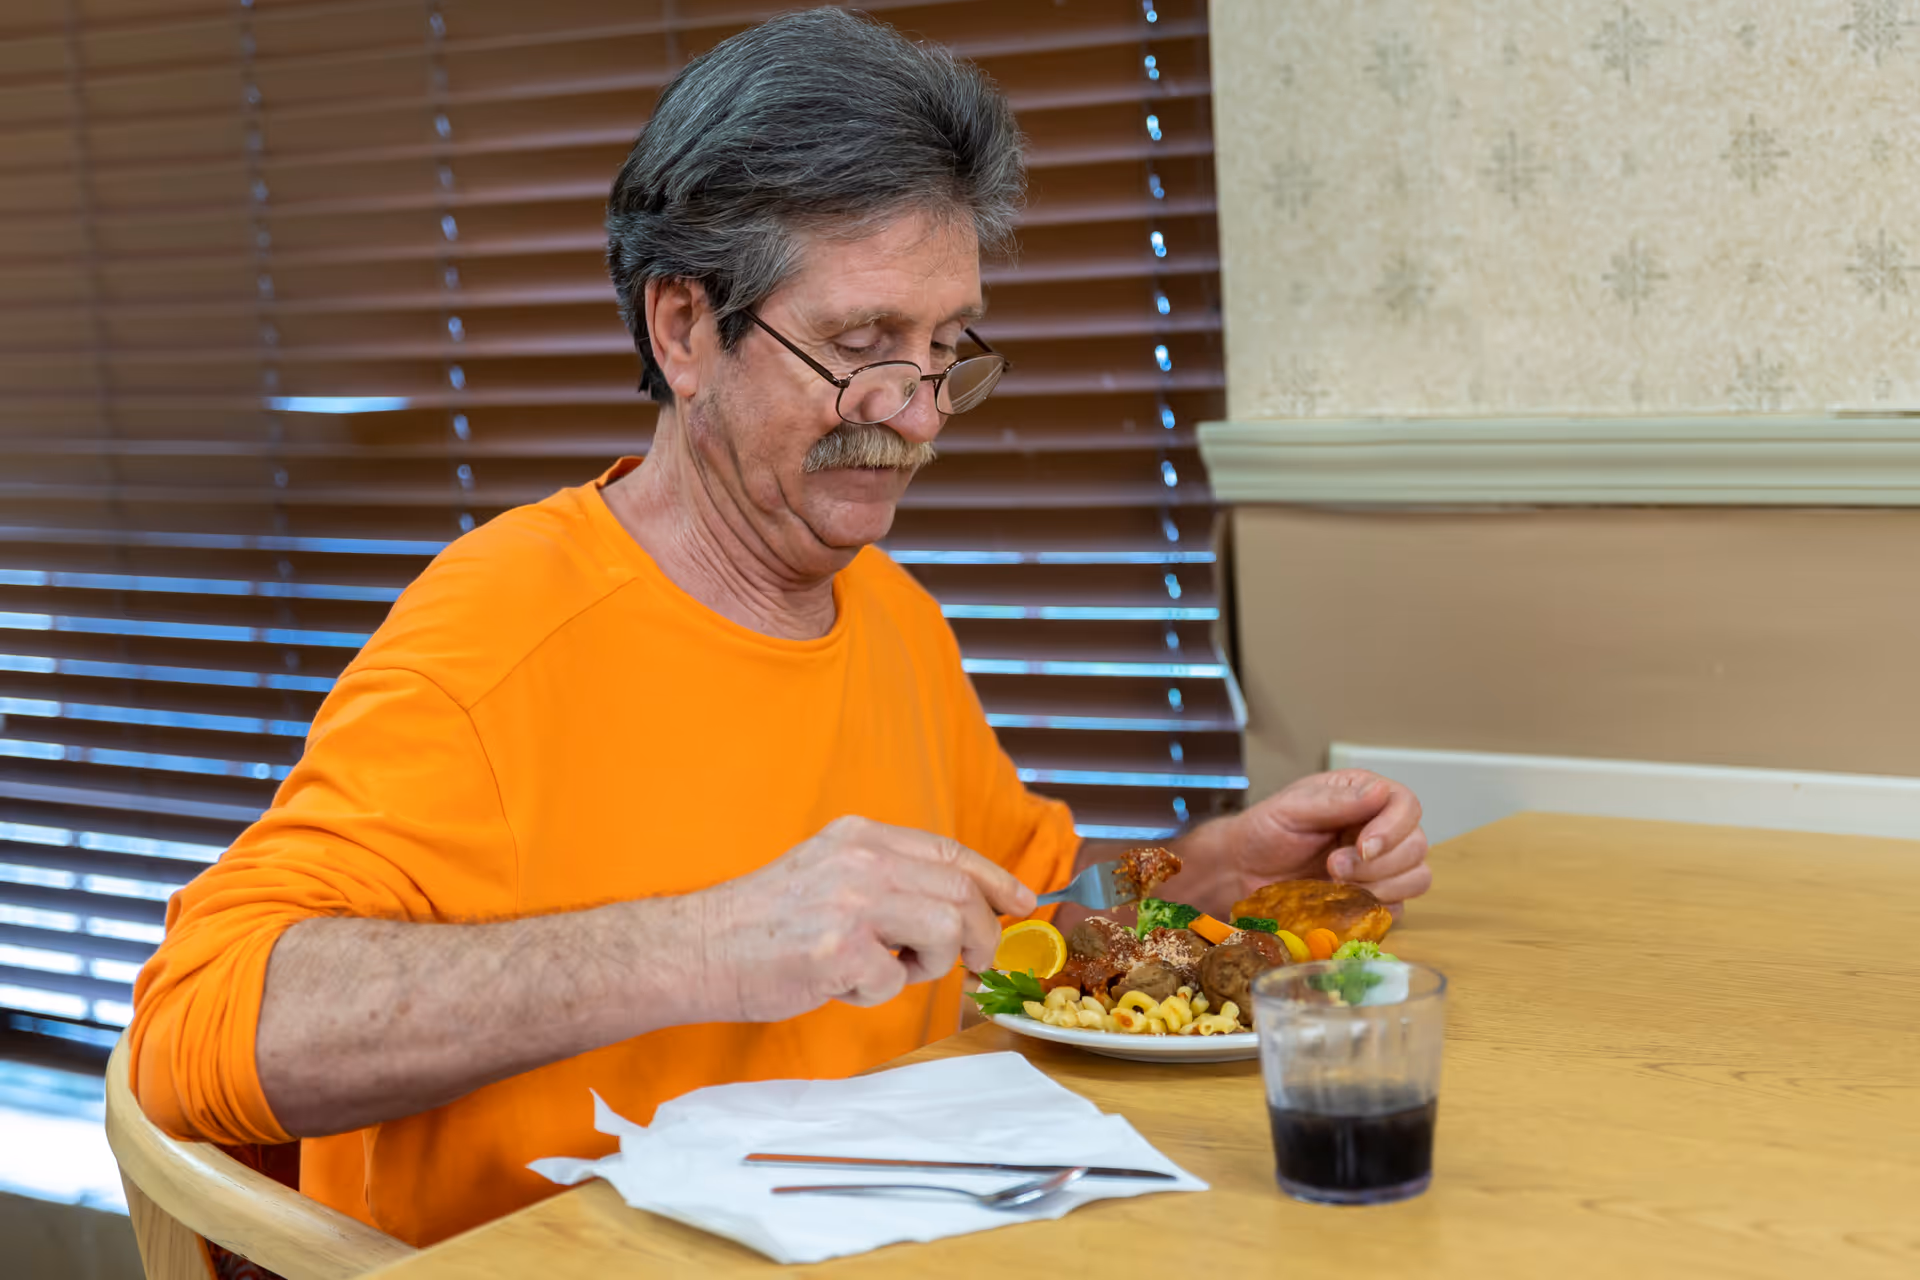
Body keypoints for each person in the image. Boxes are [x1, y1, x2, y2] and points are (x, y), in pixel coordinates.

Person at [128, 9, 1431, 1248]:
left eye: (945, 352)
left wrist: (1222, 875)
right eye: (862, 345)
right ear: (686, 328)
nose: (916, 416)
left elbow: (1018, 920)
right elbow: (196, 1031)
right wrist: (710, 944)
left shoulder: (894, 614)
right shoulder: (503, 626)